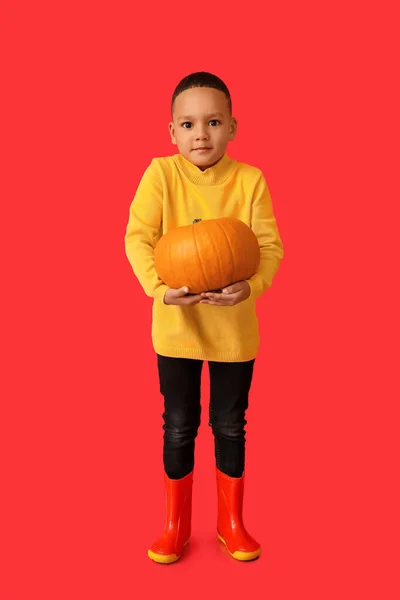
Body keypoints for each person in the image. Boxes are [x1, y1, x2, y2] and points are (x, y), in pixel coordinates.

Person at [124, 71, 284, 563]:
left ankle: (231, 524)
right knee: (177, 424)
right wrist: (159, 289)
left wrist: (250, 287)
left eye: (213, 122)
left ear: (232, 126)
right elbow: (138, 237)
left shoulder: (249, 180)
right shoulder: (160, 175)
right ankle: (175, 527)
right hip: (176, 330)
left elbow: (269, 248)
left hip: (234, 331)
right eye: (188, 123)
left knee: (231, 424)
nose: (201, 134)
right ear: (171, 131)